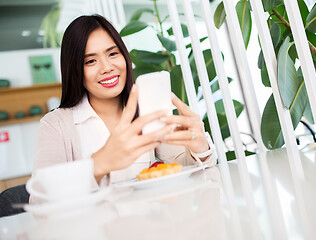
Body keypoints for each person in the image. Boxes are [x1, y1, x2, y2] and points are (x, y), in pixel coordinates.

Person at [32, 14, 216, 197]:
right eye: (90, 61)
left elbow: (193, 174)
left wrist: (199, 146)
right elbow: (40, 200)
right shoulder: (55, 125)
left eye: (113, 53)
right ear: (75, 70)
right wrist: (98, 164)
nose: (107, 67)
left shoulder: (146, 110)